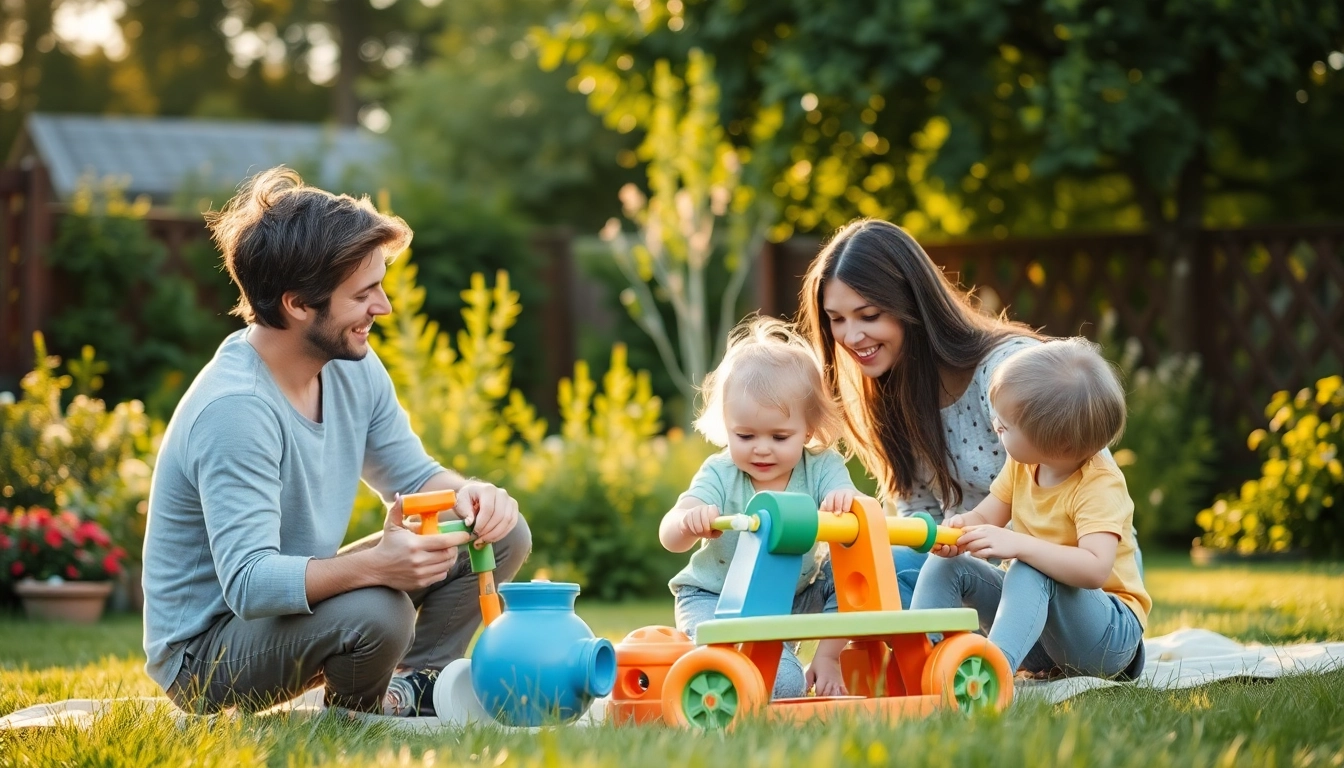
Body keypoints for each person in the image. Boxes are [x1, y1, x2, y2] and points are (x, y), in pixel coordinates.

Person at [142, 167, 531, 717]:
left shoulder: (352, 367)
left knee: (499, 532)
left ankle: (414, 687)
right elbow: (249, 583)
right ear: (299, 304)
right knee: (379, 611)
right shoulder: (236, 409)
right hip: (206, 657)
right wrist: (377, 568)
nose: (384, 307)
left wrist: (475, 495)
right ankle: (358, 714)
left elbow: (415, 478)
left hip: (286, 614)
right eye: (364, 293)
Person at [797, 219, 1042, 608]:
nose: (851, 336)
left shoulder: (1004, 371)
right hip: (963, 581)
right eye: (837, 319)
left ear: (911, 303)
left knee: (889, 567)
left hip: (1048, 580)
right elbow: (919, 517)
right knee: (853, 565)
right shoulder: (893, 392)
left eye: (869, 315)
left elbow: (1074, 485)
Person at [909, 338, 1150, 679]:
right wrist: (960, 529)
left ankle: (991, 676)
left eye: (1005, 426)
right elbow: (985, 516)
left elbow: (1095, 568)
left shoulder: (1099, 484)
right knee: (949, 566)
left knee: (1028, 568)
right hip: (1041, 637)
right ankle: (918, 664)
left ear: (1058, 443)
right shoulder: (1023, 464)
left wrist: (1021, 546)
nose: (996, 426)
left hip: (1108, 640)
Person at [659, 317, 859, 698]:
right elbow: (670, 534)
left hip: (794, 595)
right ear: (726, 426)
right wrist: (688, 521)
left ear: (809, 429)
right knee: (780, 687)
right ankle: (717, 661)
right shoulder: (720, 471)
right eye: (745, 435)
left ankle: (829, 656)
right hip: (715, 600)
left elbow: (857, 511)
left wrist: (845, 502)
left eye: (779, 436)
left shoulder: (821, 467)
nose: (761, 448)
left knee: (848, 575)